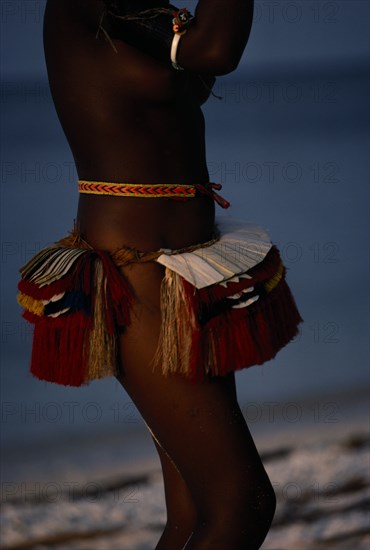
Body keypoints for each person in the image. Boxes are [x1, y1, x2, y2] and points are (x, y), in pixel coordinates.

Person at [17, 1, 303, 548]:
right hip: (136, 277)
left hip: (188, 274)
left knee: (195, 513)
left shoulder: (138, 12)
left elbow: (199, 62)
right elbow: (215, 50)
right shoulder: (89, 9)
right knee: (242, 506)